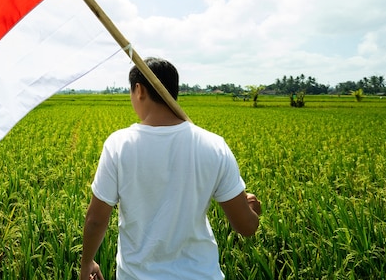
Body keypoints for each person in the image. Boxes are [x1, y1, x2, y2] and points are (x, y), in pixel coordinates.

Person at [80, 58, 262, 280]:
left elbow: (96, 219)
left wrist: (87, 262)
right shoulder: (214, 146)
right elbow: (246, 227)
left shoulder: (119, 145)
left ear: (139, 90)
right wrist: (252, 209)